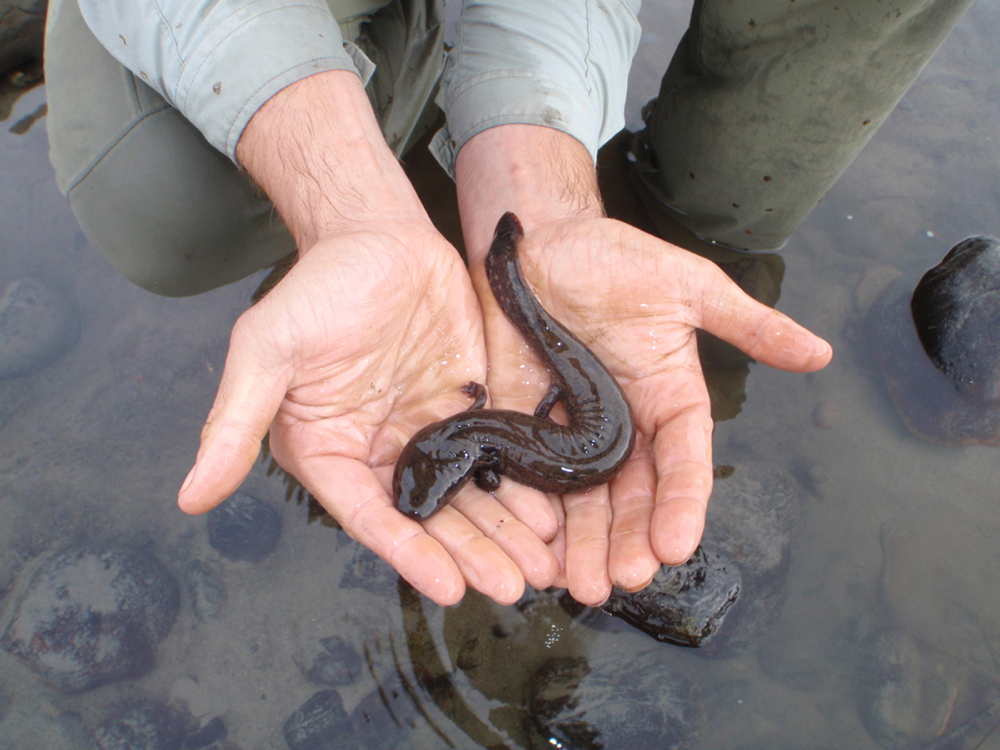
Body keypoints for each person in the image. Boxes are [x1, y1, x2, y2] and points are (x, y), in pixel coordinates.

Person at [42, 0, 968, 609]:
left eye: (441, 469)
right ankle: (394, 97)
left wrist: (541, 169)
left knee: (717, 200)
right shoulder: (482, 434)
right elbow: (490, 433)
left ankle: (621, 215)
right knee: (164, 202)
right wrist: (344, 201)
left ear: (456, 456)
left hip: (578, 421)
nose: (450, 469)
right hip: (577, 419)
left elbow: (489, 440)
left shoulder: (484, 442)